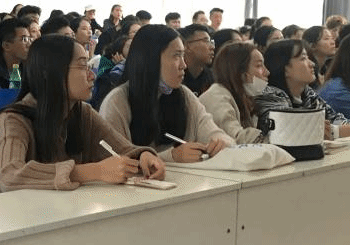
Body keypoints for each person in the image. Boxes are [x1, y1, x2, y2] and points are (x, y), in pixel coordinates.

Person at [0, 35, 164, 195]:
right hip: (5, 222)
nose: (92, 75)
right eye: (82, 66)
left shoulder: (82, 113)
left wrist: (144, 156)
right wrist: (94, 171)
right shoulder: (12, 121)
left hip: (53, 215)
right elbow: (10, 176)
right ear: (50, 73)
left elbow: (123, 149)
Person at [100, 24, 233, 163]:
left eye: (183, 55)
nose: (183, 65)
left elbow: (213, 132)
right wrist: (171, 156)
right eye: (176, 56)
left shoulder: (183, 94)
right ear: (150, 59)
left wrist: (221, 143)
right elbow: (115, 162)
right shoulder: (117, 102)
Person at [255, 40, 350, 140]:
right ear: (284, 67)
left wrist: (330, 130)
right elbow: (290, 133)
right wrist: (323, 129)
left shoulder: (307, 93)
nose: (312, 64)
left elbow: (338, 122)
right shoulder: (269, 95)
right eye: (303, 58)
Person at [199, 41, 265, 144]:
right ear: (239, 71)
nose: (266, 72)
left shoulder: (244, 97)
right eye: (259, 66)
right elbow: (236, 139)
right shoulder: (216, 98)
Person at [179, 23, 215, 96]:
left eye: (211, 42)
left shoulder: (214, 78)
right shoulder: (174, 77)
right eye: (206, 41)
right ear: (187, 46)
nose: (212, 47)